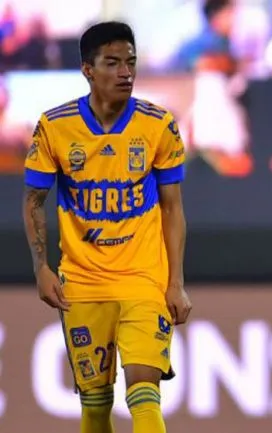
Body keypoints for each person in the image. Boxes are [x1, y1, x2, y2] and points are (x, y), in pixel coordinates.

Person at [21, 21, 191, 433]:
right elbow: (34, 201)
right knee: (96, 404)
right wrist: (42, 268)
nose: (125, 72)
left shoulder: (158, 125)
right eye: (112, 63)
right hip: (83, 281)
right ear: (87, 69)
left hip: (143, 278)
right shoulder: (55, 127)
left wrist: (175, 282)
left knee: (144, 390)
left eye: (130, 62)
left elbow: (173, 209)